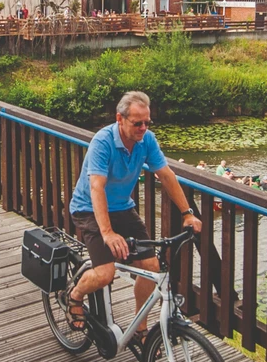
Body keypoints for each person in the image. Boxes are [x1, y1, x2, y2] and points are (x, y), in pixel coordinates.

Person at [63, 91, 203, 339]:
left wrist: (187, 213)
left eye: (147, 122)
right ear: (120, 118)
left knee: (151, 267)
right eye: (137, 123)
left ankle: (140, 327)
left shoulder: (146, 140)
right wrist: (107, 233)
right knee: (105, 274)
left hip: (122, 207)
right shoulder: (103, 141)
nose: (143, 128)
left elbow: (166, 175)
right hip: (89, 208)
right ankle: (74, 294)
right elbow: (96, 188)